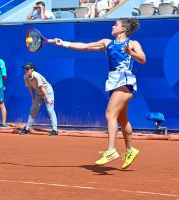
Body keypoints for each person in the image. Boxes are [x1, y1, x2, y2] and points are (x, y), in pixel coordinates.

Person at [54, 18, 146, 169]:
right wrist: (63, 43)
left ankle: (111, 150)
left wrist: (131, 52)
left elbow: (143, 59)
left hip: (125, 82)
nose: (113, 26)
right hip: (113, 82)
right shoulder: (107, 42)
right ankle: (130, 150)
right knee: (122, 120)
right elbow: (85, 47)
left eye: (116, 24)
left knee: (110, 115)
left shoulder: (133, 43)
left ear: (123, 29)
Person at [20, 62, 58, 136]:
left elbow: (42, 87)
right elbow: (30, 88)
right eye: (25, 69)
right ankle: (27, 129)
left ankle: (55, 130)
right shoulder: (25, 77)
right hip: (39, 93)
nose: (26, 70)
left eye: (28, 69)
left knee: (50, 110)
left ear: (32, 70)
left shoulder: (36, 76)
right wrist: (33, 98)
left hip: (47, 92)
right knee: (33, 109)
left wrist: (47, 98)